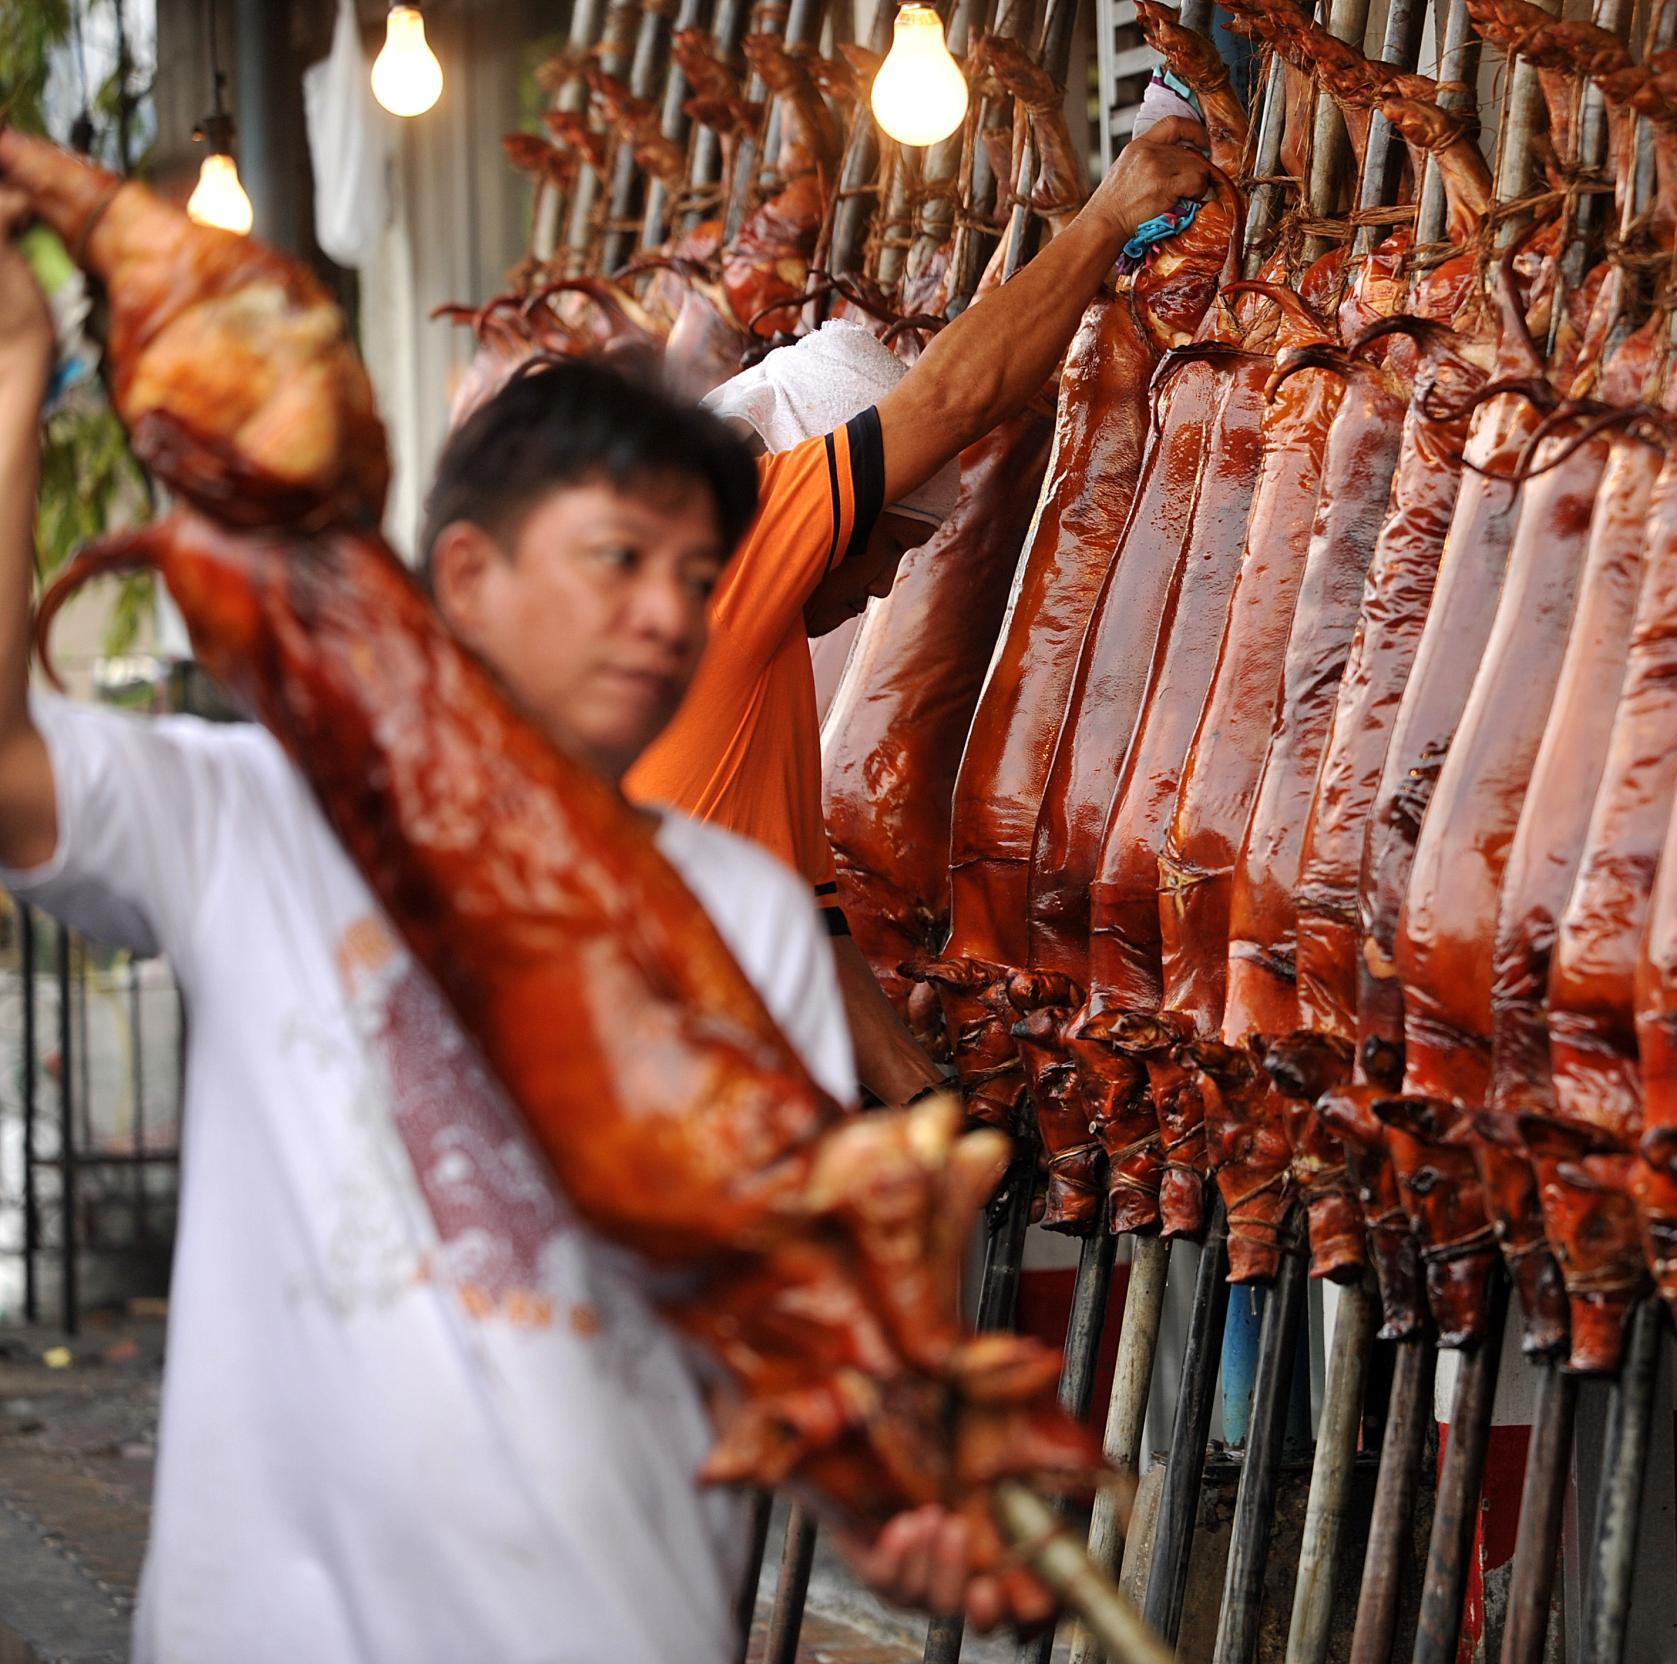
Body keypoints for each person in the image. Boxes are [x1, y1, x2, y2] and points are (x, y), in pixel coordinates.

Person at [0, 208, 986, 1659]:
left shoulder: (751, 916)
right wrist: (19, 369)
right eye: (618, 561)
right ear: (465, 579)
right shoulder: (269, 821)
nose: (666, 617)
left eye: (697, 578)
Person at [622, 117, 1212, 1107]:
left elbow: (816, 929)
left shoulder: (761, 701)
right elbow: (953, 397)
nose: (887, 583)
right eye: (890, 540)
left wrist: (922, 1104)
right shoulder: (727, 534)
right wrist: (1109, 215)